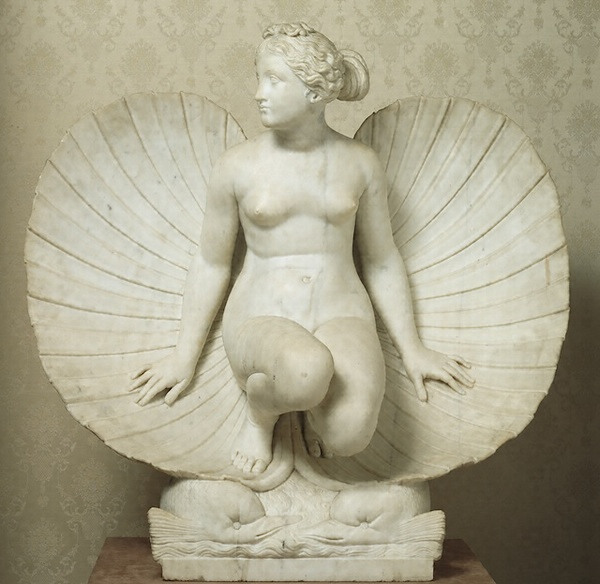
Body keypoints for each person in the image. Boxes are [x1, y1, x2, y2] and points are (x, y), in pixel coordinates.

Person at [129, 23, 474, 475]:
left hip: (342, 313)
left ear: (314, 92)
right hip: (260, 315)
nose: (258, 93)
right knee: (306, 369)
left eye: (274, 80)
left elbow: (381, 260)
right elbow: (211, 263)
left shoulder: (360, 163)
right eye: (259, 78)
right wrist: (183, 356)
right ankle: (261, 416)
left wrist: (413, 349)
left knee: (350, 434)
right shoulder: (237, 166)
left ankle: (312, 407)